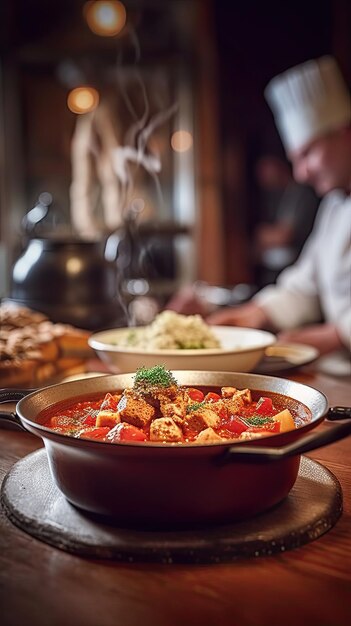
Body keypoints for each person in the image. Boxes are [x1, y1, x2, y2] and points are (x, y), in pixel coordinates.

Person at [207, 55, 351, 375]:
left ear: (345, 132)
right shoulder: (335, 206)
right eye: (294, 159)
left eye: (307, 153)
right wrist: (254, 313)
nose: (300, 174)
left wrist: (336, 335)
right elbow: (306, 282)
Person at [253, 154, 319, 287]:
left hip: (298, 264)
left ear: (277, 167)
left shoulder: (300, 192)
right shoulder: (274, 196)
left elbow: (284, 235)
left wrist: (263, 235)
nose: (262, 178)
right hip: (278, 270)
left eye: (265, 171)